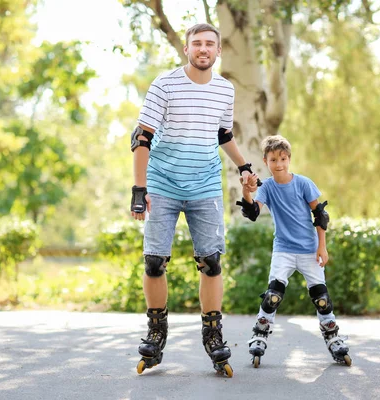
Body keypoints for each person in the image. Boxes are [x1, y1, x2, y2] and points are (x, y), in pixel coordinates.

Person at [130, 23, 258, 377]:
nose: (203, 49)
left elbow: (223, 134)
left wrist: (244, 166)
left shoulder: (224, 90)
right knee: (155, 261)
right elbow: (142, 137)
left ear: (218, 52)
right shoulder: (165, 84)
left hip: (204, 185)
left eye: (210, 44)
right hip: (163, 183)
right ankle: (156, 331)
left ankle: (213, 333)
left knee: (211, 261)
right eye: (197, 43)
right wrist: (139, 191)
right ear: (186, 49)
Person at [236, 135, 352, 367]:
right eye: (273, 159)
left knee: (321, 297)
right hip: (284, 250)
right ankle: (260, 333)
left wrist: (322, 246)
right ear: (265, 161)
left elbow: (320, 215)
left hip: (310, 250)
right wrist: (246, 191)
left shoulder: (303, 183)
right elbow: (252, 213)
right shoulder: (266, 187)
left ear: (289, 159)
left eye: (283, 158)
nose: (279, 164)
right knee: (273, 294)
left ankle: (333, 337)